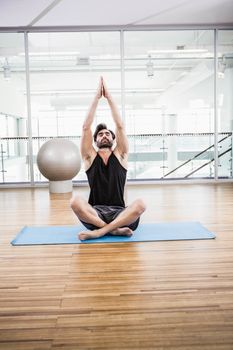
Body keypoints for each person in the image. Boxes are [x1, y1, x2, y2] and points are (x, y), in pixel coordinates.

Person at [70, 77, 146, 241]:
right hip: (95, 214)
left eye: (107, 134)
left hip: (121, 214)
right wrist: (97, 98)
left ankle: (100, 232)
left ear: (113, 139)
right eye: (100, 134)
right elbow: (85, 127)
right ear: (95, 141)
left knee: (140, 204)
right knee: (75, 202)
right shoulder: (89, 157)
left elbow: (120, 126)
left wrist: (109, 97)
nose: (104, 136)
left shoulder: (121, 154)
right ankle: (112, 231)